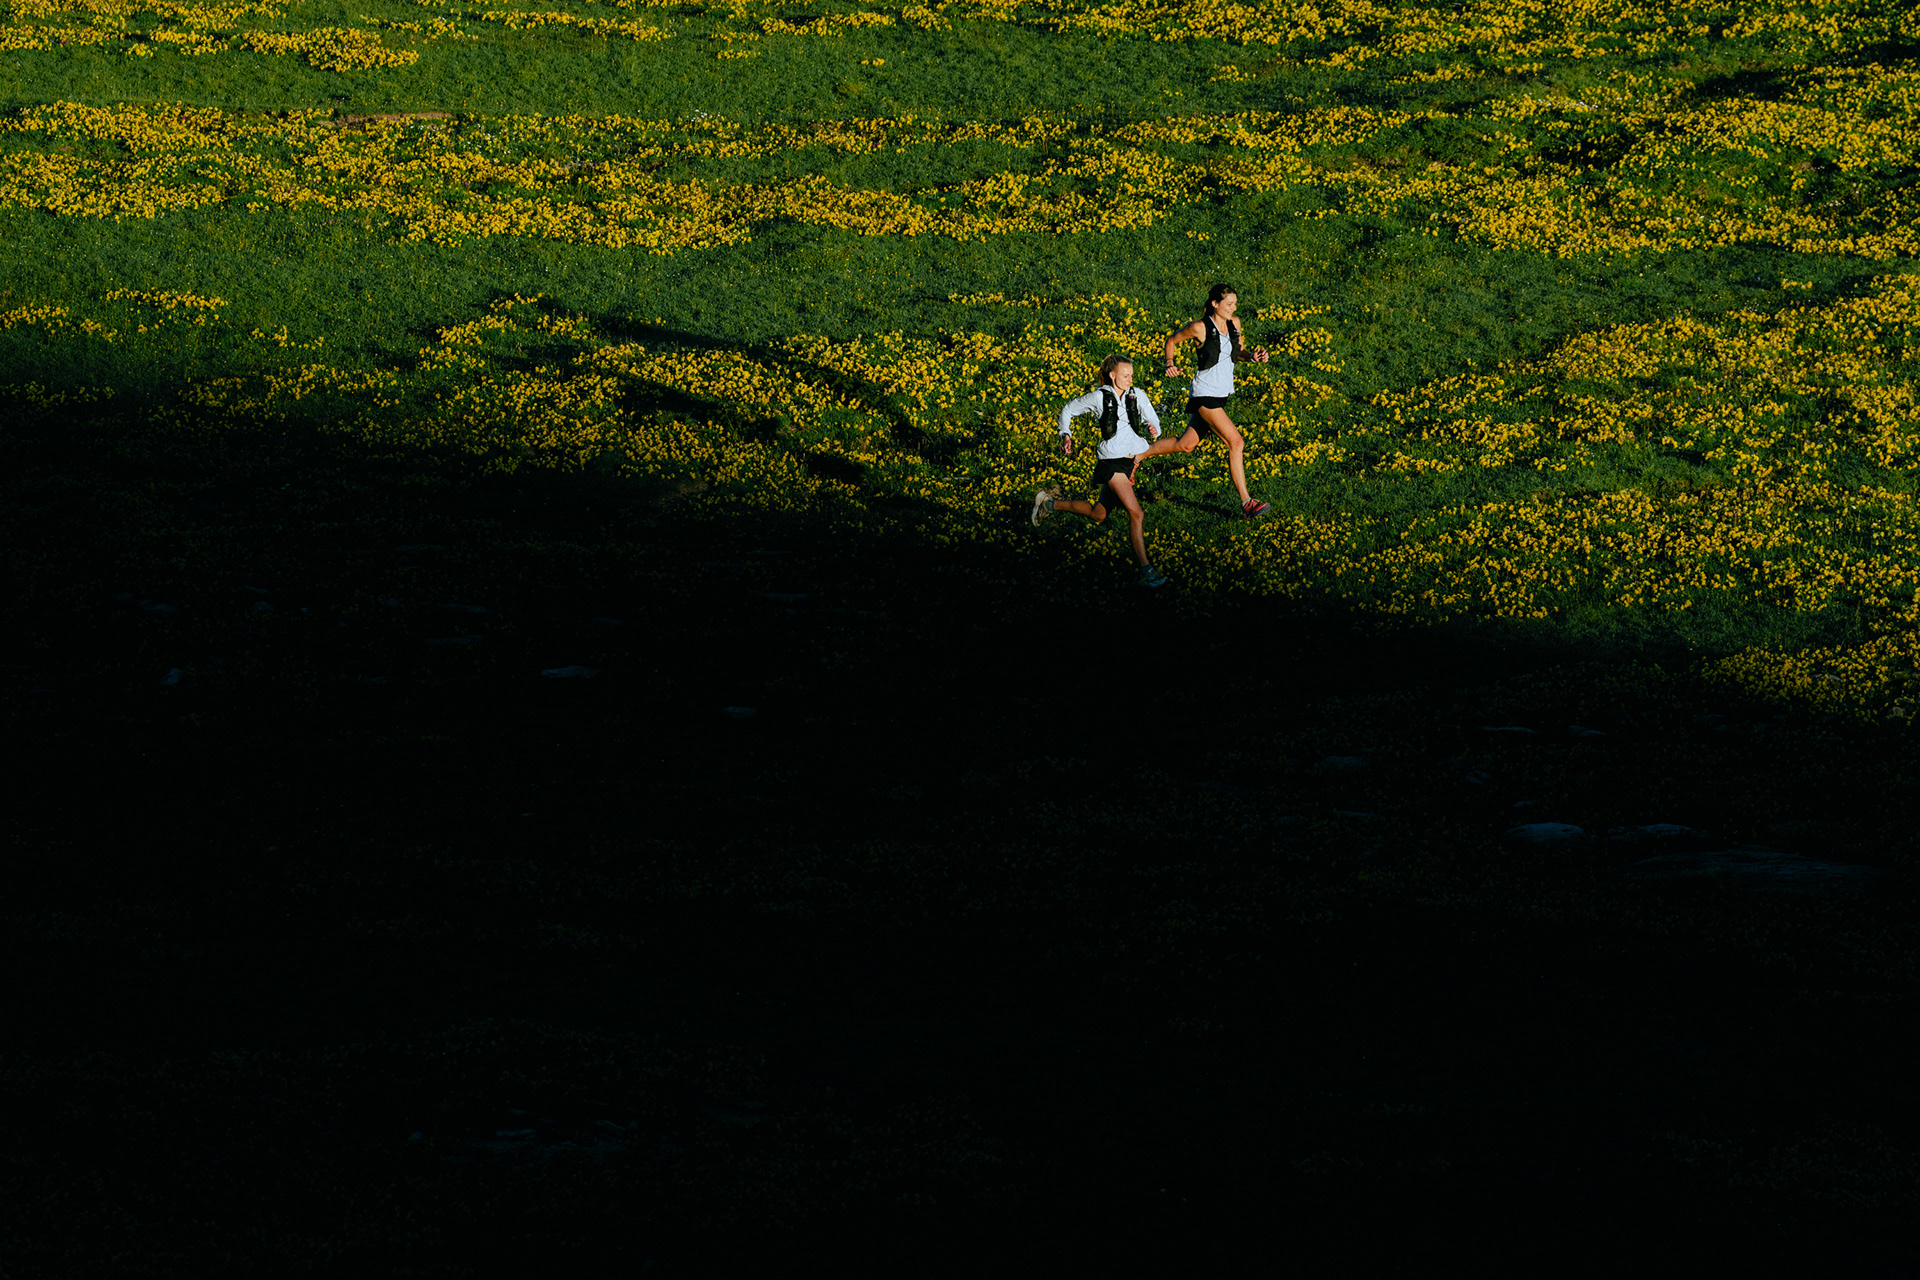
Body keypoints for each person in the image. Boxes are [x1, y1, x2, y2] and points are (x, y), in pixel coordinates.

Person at [1030, 355, 1169, 588]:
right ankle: (1146, 570)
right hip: (1111, 463)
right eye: (1125, 375)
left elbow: (1153, 422)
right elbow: (1068, 410)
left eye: (1131, 375)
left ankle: (1047, 504)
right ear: (1112, 375)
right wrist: (1066, 434)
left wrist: (1153, 428)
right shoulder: (1098, 397)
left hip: (1129, 462)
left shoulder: (1138, 395)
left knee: (1098, 514)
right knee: (1137, 513)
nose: (1129, 379)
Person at [1137, 283, 1271, 519]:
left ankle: (1135, 456)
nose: (1234, 307)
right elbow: (1171, 341)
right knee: (1236, 443)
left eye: (1235, 303)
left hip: (1220, 394)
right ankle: (1247, 503)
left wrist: (1252, 357)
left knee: (1185, 445)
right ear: (1215, 304)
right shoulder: (1199, 328)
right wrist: (1169, 363)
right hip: (1204, 395)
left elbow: (1238, 352)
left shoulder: (1235, 324)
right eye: (1229, 304)